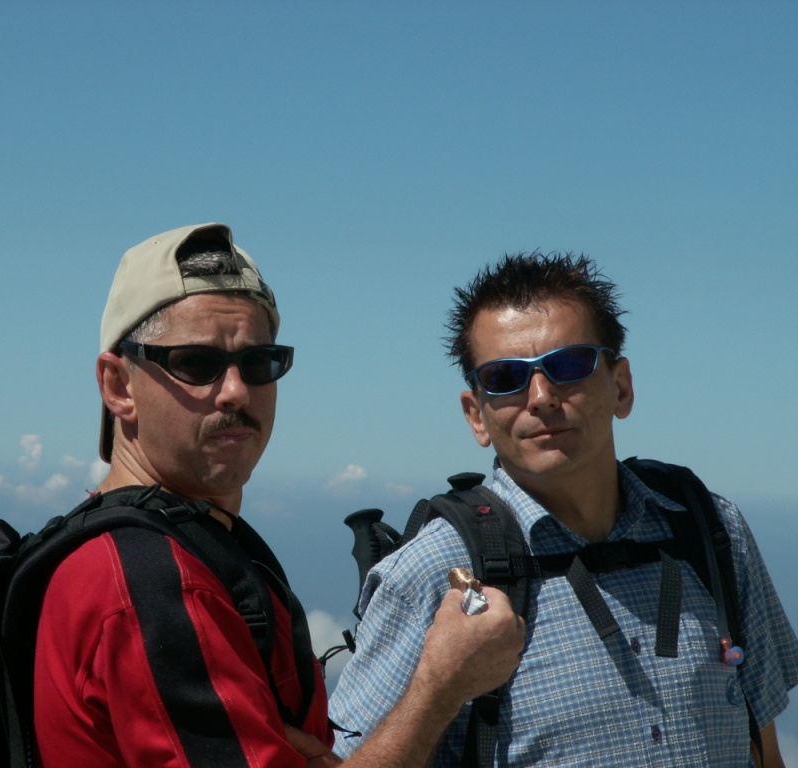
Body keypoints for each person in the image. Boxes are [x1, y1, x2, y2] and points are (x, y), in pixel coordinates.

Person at [33, 223, 525, 768]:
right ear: (118, 386)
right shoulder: (151, 587)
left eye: (259, 362)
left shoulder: (163, 545)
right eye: (195, 363)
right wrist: (441, 685)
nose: (236, 391)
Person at [329, 251, 798, 767]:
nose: (542, 397)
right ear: (476, 415)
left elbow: (764, 750)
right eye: (504, 376)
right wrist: (439, 686)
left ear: (621, 387)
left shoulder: (711, 530)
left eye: (569, 365)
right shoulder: (430, 576)